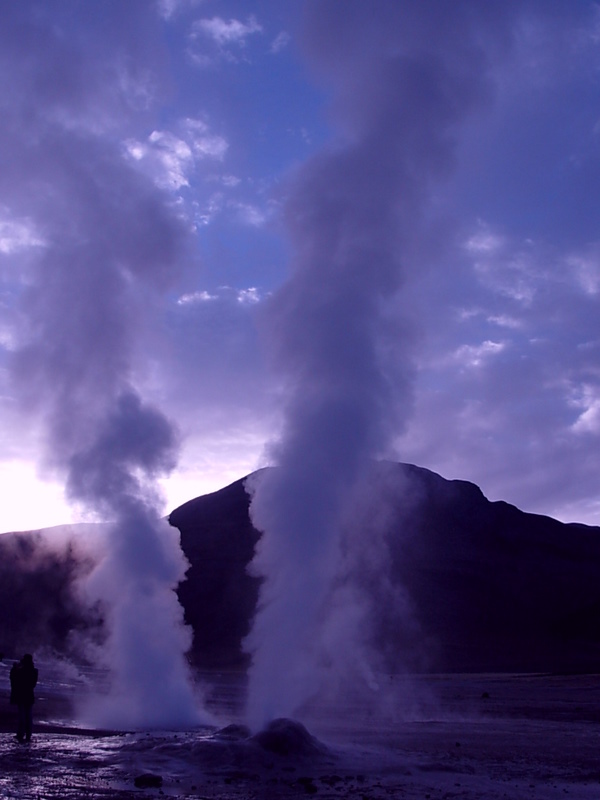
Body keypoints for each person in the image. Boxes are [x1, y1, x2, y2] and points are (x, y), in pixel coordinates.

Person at [10, 654, 38, 743]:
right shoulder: (34, 671)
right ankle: (28, 734)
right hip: (29, 694)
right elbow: (33, 684)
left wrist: (14, 668)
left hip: (21, 694)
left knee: (22, 715)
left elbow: (13, 679)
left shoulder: (20, 671)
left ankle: (20, 733)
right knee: (28, 715)